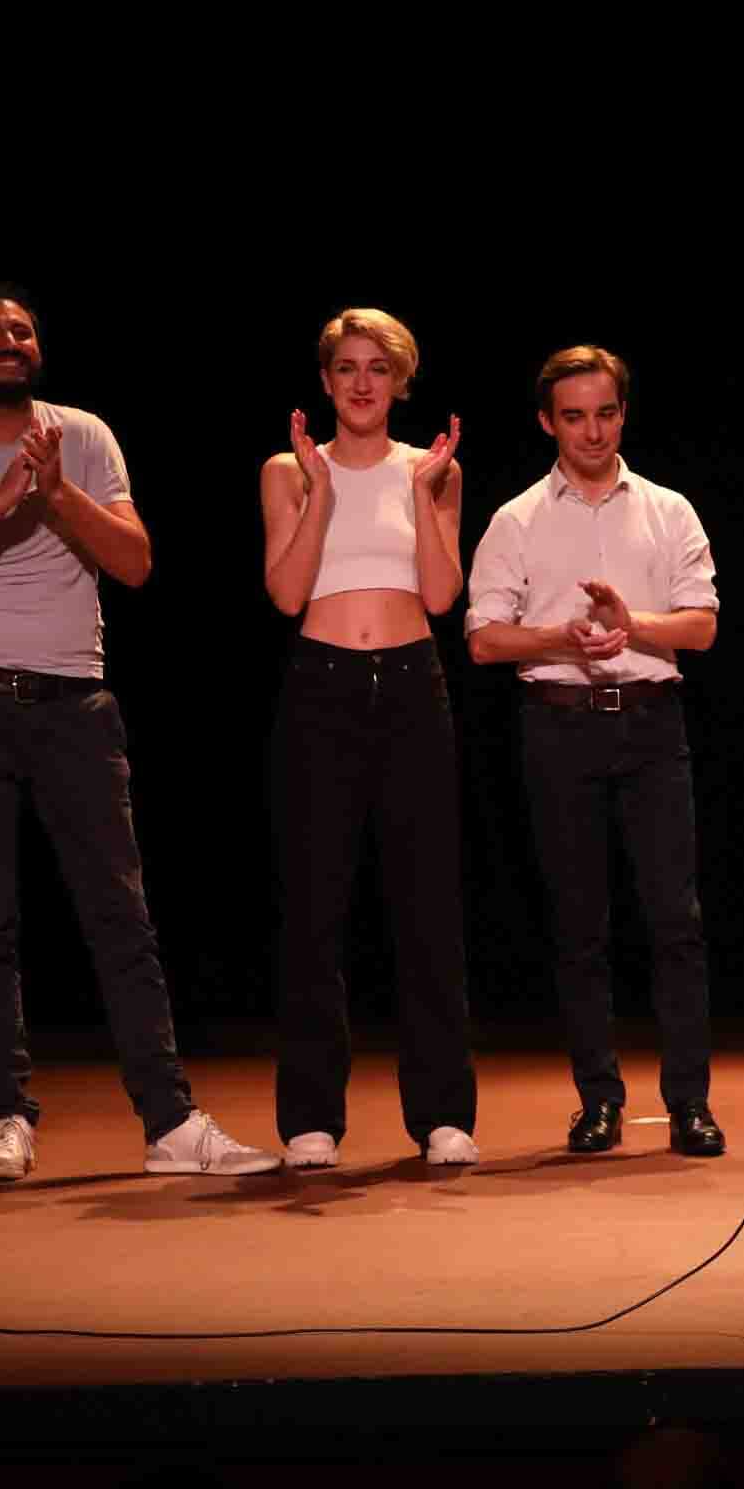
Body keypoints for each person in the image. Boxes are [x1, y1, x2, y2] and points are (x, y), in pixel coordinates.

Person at [0, 286, 279, 1179]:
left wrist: (55, 494)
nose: (10, 342)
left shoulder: (85, 435)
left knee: (120, 915)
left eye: (22, 330)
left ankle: (170, 1125)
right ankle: (8, 1120)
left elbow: (135, 563)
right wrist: (0, 502)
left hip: (75, 702)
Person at [465, 344, 723, 1157]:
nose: (592, 430)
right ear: (547, 422)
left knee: (674, 920)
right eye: (574, 416)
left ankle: (689, 1103)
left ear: (622, 413)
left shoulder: (669, 509)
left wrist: (630, 625)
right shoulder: (516, 518)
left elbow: (703, 625)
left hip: (651, 724)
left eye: (605, 412)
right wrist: (562, 638)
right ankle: (599, 1100)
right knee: (579, 924)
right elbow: (482, 639)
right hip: (558, 723)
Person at [258, 307, 477, 1169]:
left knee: (428, 908)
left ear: (400, 381)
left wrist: (425, 494)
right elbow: (285, 593)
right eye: (346, 367)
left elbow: (439, 594)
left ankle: (442, 1115)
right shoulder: (287, 471)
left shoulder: (433, 470)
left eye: (377, 369)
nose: (360, 383)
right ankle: (311, 1117)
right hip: (322, 688)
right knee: (314, 908)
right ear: (324, 380)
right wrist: (321, 488)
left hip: (411, 685)